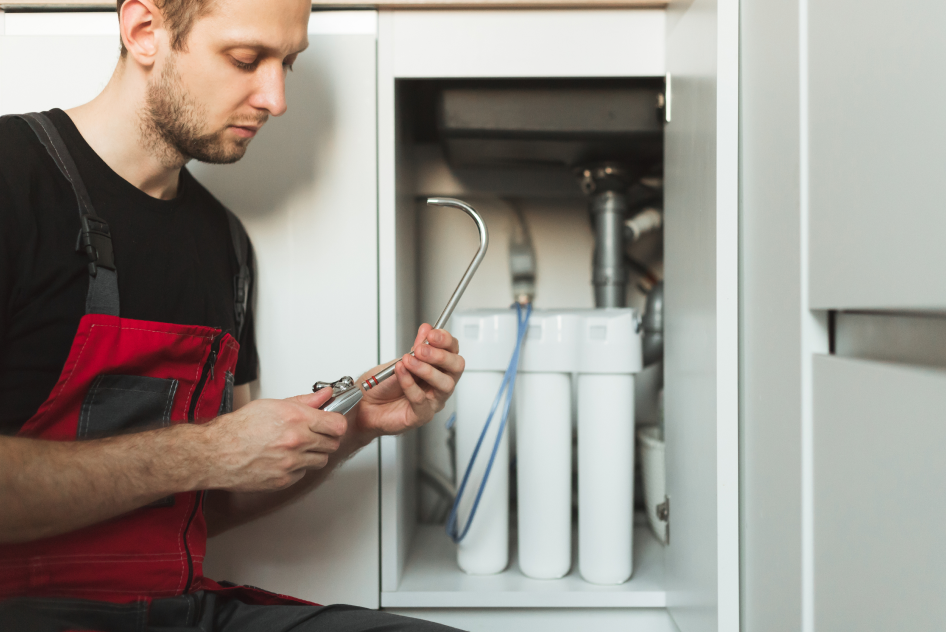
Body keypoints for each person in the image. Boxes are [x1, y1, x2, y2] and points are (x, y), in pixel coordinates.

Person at [0, 0, 465, 629]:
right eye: (246, 60)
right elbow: (208, 456)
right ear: (144, 32)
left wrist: (352, 427)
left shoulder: (224, 244)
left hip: (180, 606)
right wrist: (204, 449)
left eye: (287, 65)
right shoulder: (12, 177)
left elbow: (212, 498)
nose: (275, 99)